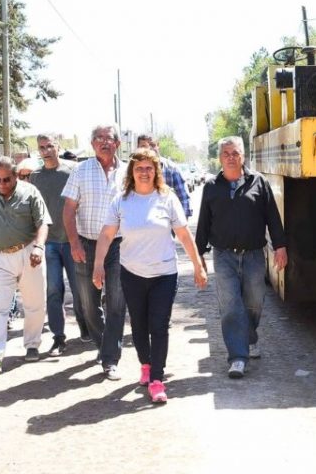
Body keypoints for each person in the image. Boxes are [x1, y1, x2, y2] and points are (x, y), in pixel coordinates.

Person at [92, 149, 207, 403]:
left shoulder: (167, 198)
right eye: (139, 168)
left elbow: (184, 235)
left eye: (149, 168)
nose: (144, 172)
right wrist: (98, 264)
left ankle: (157, 379)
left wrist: (197, 265)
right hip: (132, 273)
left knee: (159, 325)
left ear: (156, 172)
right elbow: (107, 235)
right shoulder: (121, 201)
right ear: (131, 173)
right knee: (139, 325)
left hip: (164, 273)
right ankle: (145, 363)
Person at [195, 136, 287, 379]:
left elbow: (273, 218)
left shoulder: (259, 182)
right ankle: (237, 357)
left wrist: (280, 246)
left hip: (254, 255)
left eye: (235, 153)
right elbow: (204, 223)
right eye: (226, 153)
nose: (231, 157)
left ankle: (249, 335)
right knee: (230, 304)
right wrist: (198, 257)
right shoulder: (212, 187)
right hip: (224, 255)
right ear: (220, 158)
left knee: (254, 301)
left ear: (243, 155)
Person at [0, 157, 51, 374]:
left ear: (16, 176)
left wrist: (39, 247)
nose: (2, 185)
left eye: (7, 180)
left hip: (28, 253)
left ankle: (32, 344)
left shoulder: (30, 192)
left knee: (35, 303)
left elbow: (43, 222)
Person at [62, 124, 129, 380]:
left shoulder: (128, 172)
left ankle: (110, 358)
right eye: (98, 138)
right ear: (92, 144)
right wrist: (74, 243)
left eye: (109, 138)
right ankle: (104, 345)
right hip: (86, 244)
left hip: (119, 247)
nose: (103, 142)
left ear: (118, 144)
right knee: (88, 305)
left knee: (116, 301)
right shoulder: (80, 171)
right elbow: (68, 209)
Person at [31, 133, 88, 355]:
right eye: (42, 147)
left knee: (80, 290)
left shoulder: (73, 171)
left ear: (58, 147)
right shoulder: (35, 177)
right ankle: (58, 337)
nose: (46, 150)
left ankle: (86, 327)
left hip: (73, 240)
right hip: (50, 243)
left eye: (49, 146)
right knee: (53, 291)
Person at [136, 133, 191, 219]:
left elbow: (183, 199)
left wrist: (180, 225)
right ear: (138, 149)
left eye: (152, 145)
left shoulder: (172, 169)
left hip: (167, 227)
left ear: (158, 146)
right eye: (144, 146)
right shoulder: (131, 172)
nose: (149, 149)